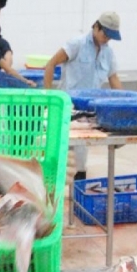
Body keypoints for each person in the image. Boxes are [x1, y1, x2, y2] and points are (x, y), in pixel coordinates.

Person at [43, 11, 124, 180]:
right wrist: (48, 97)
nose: (107, 39)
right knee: (61, 151)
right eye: (105, 34)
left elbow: (113, 78)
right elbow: (51, 64)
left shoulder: (108, 53)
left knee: (80, 155)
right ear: (96, 27)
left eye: (110, 37)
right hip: (68, 107)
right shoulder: (76, 44)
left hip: (88, 111)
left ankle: (77, 195)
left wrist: (124, 104)